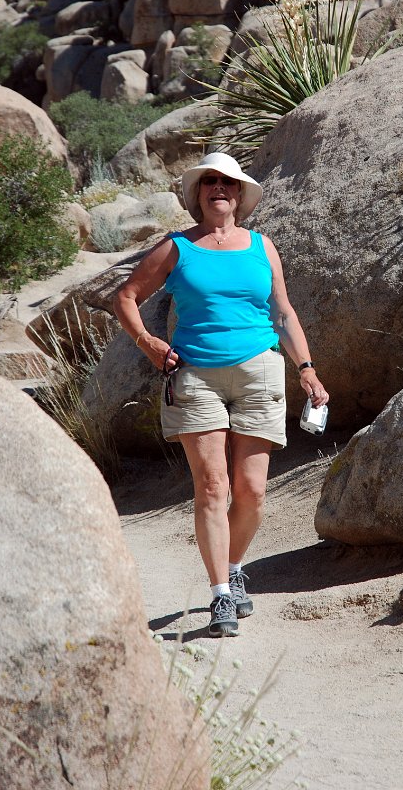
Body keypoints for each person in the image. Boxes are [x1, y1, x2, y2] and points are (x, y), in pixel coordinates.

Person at [113, 151, 329, 637]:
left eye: (228, 183)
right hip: (195, 377)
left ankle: (233, 567)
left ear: (239, 196)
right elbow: (125, 297)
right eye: (210, 182)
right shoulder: (176, 249)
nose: (219, 189)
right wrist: (149, 344)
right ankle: (219, 596)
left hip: (260, 371)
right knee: (212, 487)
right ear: (198, 195)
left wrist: (308, 369)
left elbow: (285, 313)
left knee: (251, 492)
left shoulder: (261, 246)